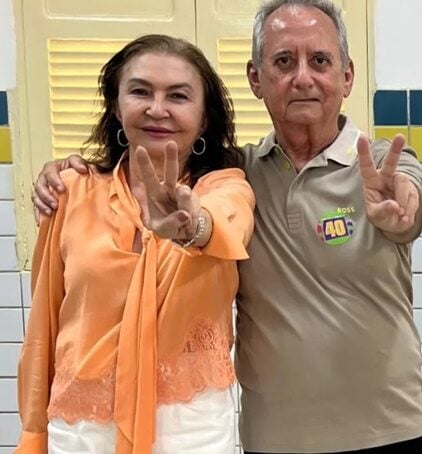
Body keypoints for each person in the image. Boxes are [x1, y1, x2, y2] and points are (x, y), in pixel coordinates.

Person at [32, 0, 422, 452]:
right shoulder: (239, 171)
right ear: (256, 78)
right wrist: (64, 169)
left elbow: (406, 210)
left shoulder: (382, 166)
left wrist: (402, 215)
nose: (302, 77)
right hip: (275, 438)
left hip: (388, 431)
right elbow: (205, 207)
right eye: (284, 62)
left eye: (320, 61)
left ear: (347, 76)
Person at [18, 34, 255, 453]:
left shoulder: (225, 189)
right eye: (141, 91)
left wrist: (191, 227)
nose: (157, 109)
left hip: (190, 427)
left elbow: (225, 225)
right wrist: (34, 432)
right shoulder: (71, 191)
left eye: (178, 96)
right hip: (83, 426)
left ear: (204, 119)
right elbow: (43, 325)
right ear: (116, 105)